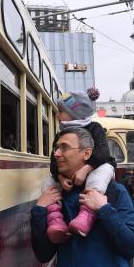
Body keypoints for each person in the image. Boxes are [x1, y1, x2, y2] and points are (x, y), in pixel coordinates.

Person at [31, 127, 134, 267]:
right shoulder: (54, 196)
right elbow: (44, 254)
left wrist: (104, 209)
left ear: (87, 153)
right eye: (56, 148)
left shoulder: (115, 191)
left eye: (64, 148)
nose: (56, 154)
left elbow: (131, 247)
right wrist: (39, 209)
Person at [42, 88, 117, 242]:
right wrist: (60, 177)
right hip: (69, 176)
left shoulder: (94, 128)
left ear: (74, 112)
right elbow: (53, 160)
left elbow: (103, 153)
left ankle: (87, 214)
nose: (57, 116)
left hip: (95, 168)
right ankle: (55, 218)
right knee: (47, 182)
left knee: (104, 171)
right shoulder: (60, 134)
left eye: (61, 111)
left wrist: (86, 168)